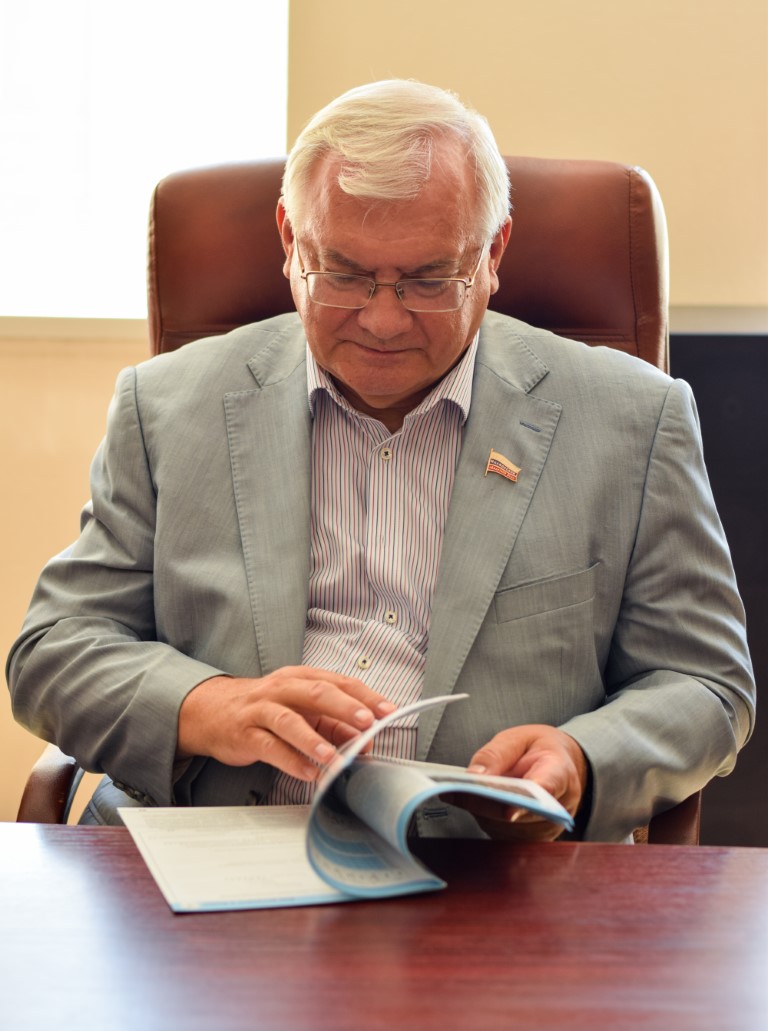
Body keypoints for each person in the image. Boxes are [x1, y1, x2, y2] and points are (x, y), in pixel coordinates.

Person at [7, 79, 755, 842]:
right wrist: (209, 707)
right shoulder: (166, 406)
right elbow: (52, 654)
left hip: (491, 866)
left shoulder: (633, 419)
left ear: (493, 252)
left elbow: (706, 683)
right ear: (289, 240)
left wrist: (581, 757)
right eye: (343, 274)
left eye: (429, 280)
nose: (384, 319)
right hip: (209, 845)